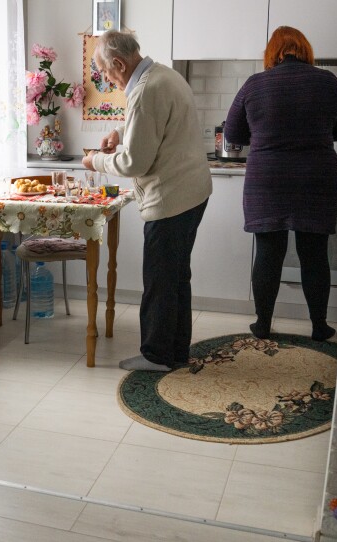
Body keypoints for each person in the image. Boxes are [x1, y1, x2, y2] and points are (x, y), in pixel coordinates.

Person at [82, 31, 212, 372]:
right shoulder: (164, 75)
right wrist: (121, 133)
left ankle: (156, 356)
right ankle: (176, 352)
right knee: (176, 277)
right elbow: (156, 125)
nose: (107, 79)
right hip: (192, 192)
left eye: (106, 73)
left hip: (171, 197)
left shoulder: (145, 90)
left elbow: (133, 164)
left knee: (159, 279)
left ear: (119, 64)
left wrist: (95, 160)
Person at [224, 26, 337, 342]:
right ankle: (320, 326)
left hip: (267, 177)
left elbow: (233, 134)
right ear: (305, 50)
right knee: (315, 252)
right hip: (315, 176)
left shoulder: (254, 84)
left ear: (272, 53)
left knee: (268, 252)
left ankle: (263, 324)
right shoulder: (328, 81)